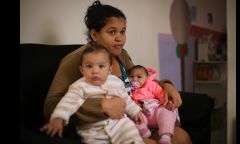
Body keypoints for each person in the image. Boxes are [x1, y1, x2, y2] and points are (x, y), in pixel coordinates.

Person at [43, 1, 191, 144]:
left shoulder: (122, 55)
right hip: (103, 131)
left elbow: (141, 80)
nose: (120, 38)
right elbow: (51, 105)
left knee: (180, 137)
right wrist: (102, 106)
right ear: (94, 35)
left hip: (134, 123)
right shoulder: (76, 60)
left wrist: (166, 86)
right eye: (112, 32)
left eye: (123, 31)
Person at [40, 44, 145, 144]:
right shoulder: (79, 86)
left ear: (109, 69)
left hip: (118, 124)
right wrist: (58, 118)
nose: (95, 71)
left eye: (101, 66)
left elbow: (125, 99)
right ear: (82, 70)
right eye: (89, 66)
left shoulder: (115, 82)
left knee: (130, 133)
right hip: (92, 130)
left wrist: (135, 111)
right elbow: (67, 103)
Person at [128, 65, 180, 144]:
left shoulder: (151, 85)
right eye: (131, 76)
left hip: (155, 110)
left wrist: (165, 102)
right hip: (142, 112)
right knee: (135, 118)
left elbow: (160, 93)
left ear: (146, 77)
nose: (135, 79)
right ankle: (143, 131)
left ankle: (165, 136)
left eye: (139, 77)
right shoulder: (129, 90)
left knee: (165, 111)